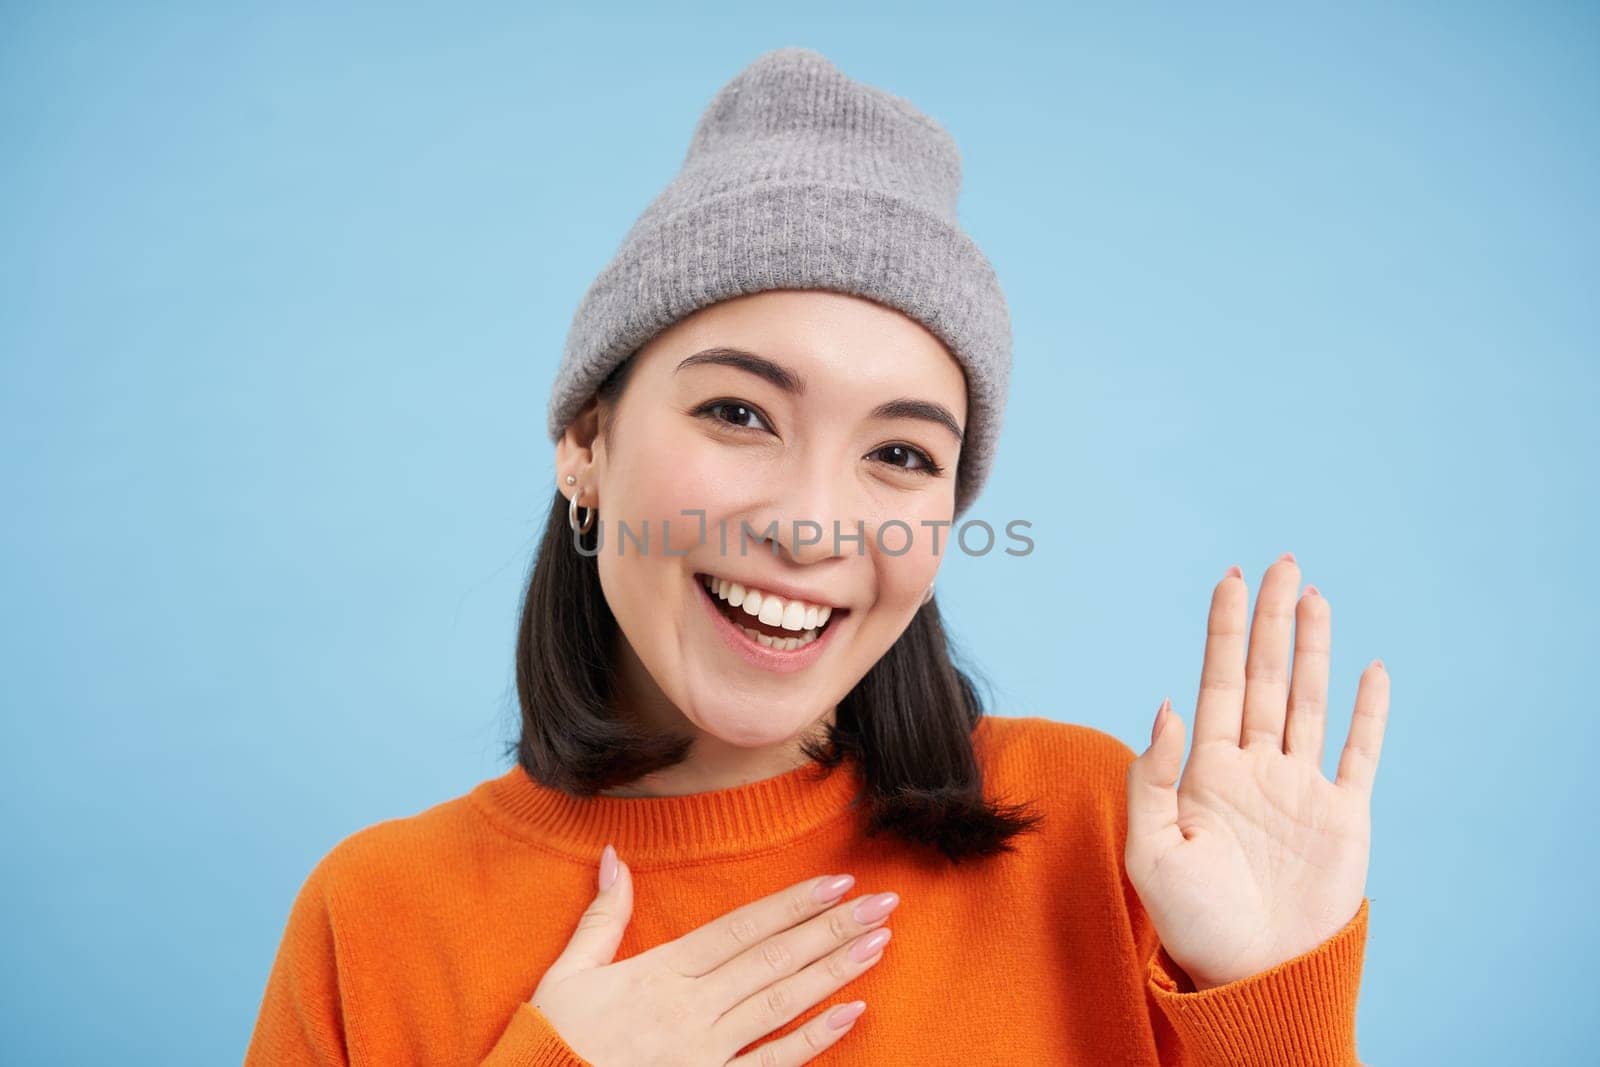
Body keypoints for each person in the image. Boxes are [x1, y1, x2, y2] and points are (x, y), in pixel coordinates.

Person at [245, 46, 1389, 1066]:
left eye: (898, 452)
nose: (813, 525)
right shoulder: (379, 913)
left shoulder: (1101, 836)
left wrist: (1270, 1005)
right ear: (585, 440)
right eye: (739, 414)